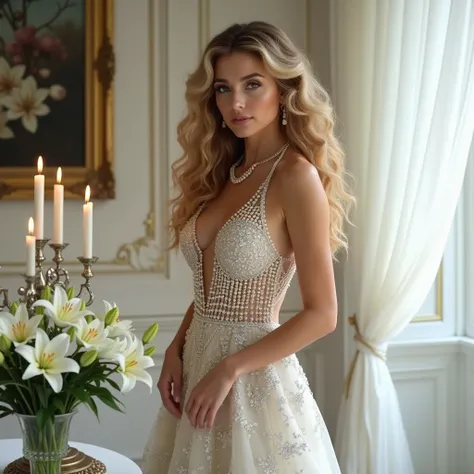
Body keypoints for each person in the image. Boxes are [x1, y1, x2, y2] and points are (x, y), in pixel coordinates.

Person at [141, 20, 353, 474]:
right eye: (223, 88)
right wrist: (174, 352)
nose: (235, 103)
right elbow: (211, 293)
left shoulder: (295, 177)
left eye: (252, 85)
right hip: (198, 370)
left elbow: (323, 314)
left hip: (253, 382)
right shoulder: (223, 173)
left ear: (284, 90)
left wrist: (230, 369)